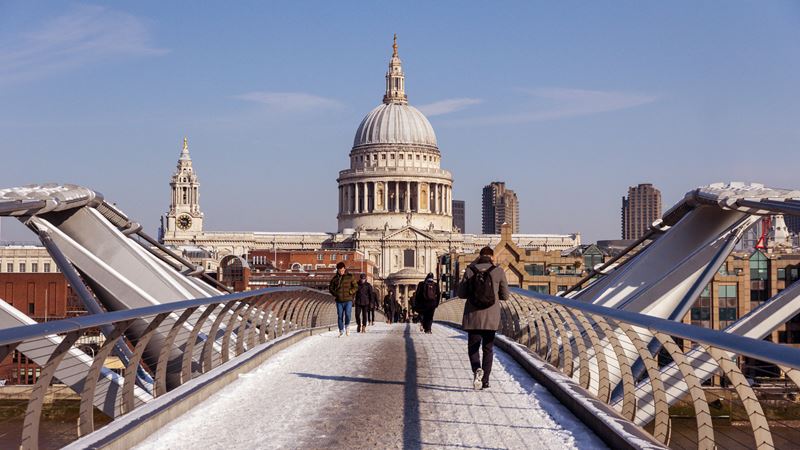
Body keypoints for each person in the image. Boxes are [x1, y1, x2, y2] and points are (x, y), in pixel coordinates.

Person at [457, 246, 509, 390]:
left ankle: (476, 369)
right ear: (492, 257)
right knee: (488, 348)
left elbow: (461, 294)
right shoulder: (498, 271)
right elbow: (505, 296)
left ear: (479, 256)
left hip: (473, 316)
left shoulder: (469, 270)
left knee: (473, 347)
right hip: (491, 317)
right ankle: (485, 380)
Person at [329, 262, 357, 337]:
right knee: (340, 316)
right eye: (339, 271)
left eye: (342, 270)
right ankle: (341, 330)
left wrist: (350, 292)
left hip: (348, 300)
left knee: (348, 314)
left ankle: (347, 325)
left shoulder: (350, 277)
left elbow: (355, 287)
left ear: (344, 269)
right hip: (339, 301)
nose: (341, 272)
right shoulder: (335, 279)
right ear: (337, 270)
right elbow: (330, 288)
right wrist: (335, 294)